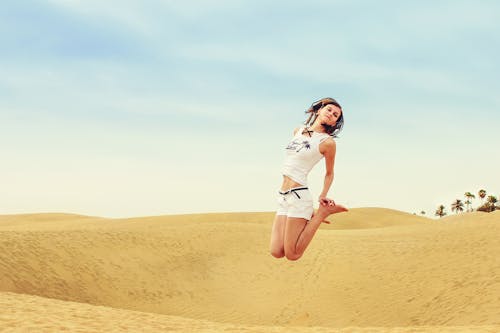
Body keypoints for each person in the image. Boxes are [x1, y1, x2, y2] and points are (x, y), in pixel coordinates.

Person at [269, 97, 348, 261]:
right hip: (283, 195)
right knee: (276, 251)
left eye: (335, 115)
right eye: (329, 110)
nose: (331, 114)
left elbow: (329, 173)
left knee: (293, 254)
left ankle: (321, 214)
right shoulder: (298, 130)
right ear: (319, 110)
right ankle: (310, 214)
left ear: (334, 123)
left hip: (299, 195)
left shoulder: (327, 143)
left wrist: (323, 195)